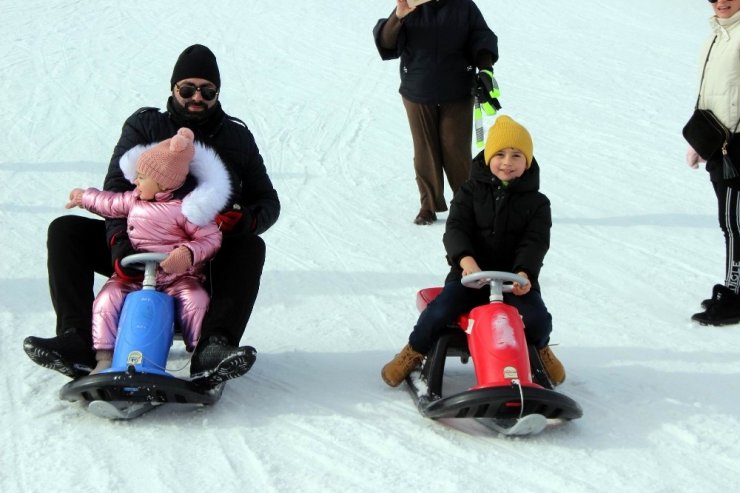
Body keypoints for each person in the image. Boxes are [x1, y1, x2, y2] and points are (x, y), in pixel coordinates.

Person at [23, 44, 281, 387]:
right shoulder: (146, 126)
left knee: (250, 245)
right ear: (173, 89)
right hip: (140, 242)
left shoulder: (236, 137)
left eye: (207, 91)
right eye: (187, 89)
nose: (197, 98)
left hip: (202, 251)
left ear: (217, 93)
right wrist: (120, 246)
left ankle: (212, 348)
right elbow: (116, 189)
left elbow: (267, 201)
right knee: (66, 230)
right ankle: (77, 341)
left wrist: (244, 219)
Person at [381, 115, 566, 387]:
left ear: (527, 161)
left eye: (516, 155)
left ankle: (539, 349)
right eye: (500, 154)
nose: (507, 162)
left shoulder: (538, 203)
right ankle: (414, 351)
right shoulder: (469, 192)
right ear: (488, 157)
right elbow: (456, 229)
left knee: (538, 318)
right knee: (440, 311)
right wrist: (466, 261)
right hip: (469, 277)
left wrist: (524, 272)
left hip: (516, 281)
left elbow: (536, 241)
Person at [65, 128, 227, 374]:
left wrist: (188, 253)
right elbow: (109, 203)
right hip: (136, 274)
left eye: (142, 177)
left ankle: (201, 358)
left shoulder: (186, 209)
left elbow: (211, 238)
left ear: (162, 181)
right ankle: (104, 357)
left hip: (177, 276)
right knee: (107, 299)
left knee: (197, 300)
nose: (136, 181)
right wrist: (84, 197)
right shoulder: (134, 200)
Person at [373, 0, 499, 225]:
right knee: (424, 149)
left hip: (458, 89)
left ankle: (466, 205)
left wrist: (486, 70)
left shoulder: (463, 6)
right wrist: (398, 17)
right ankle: (428, 205)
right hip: (418, 90)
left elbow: (482, 36)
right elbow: (387, 42)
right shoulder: (411, 5)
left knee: (456, 149)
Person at [687, 0, 740, 326]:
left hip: (736, 145)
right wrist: (699, 140)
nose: (721, 2)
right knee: (730, 222)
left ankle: (735, 295)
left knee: (735, 224)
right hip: (719, 143)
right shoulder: (716, 36)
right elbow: (710, 93)